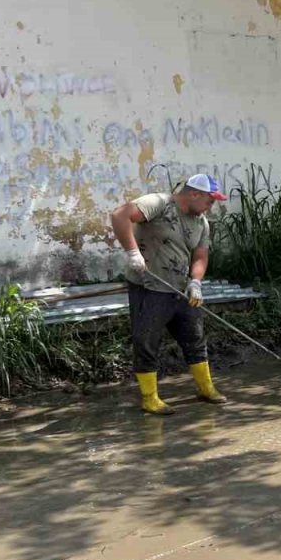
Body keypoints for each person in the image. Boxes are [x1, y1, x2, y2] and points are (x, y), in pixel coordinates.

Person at [110, 173, 228, 415]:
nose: (211, 205)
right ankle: (149, 398)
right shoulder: (159, 204)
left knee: (195, 337)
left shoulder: (201, 222)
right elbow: (119, 215)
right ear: (194, 193)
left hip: (181, 289)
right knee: (146, 340)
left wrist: (195, 282)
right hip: (150, 287)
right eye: (209, 200)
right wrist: (133, 253)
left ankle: (206, 388)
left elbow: (200, 255)